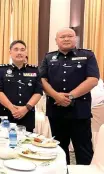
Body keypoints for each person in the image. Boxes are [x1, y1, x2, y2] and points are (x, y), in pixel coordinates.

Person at [40, 28, 99, 165]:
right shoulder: (49, 57)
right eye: (62, 37)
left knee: (83, 149)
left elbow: (93, 79)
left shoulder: (87, 55)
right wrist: (56, 96)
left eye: (69, 36)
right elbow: (42, 80)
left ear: (75, 39)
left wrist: (70, 96)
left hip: (80, 111)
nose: (66, 39)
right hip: (56, 111)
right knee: (59, 149)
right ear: (56, 41)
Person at [0, 40, 42, 132]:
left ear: (26, 52)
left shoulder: (34, 70)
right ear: (10, 52)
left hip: (27, 114)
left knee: (27, 143)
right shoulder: (2, 70)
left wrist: (25, 108)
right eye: (16, 49)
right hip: (6, 114)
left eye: (22, 50)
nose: (19, 52)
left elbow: (38, 92)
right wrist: (12, 109)